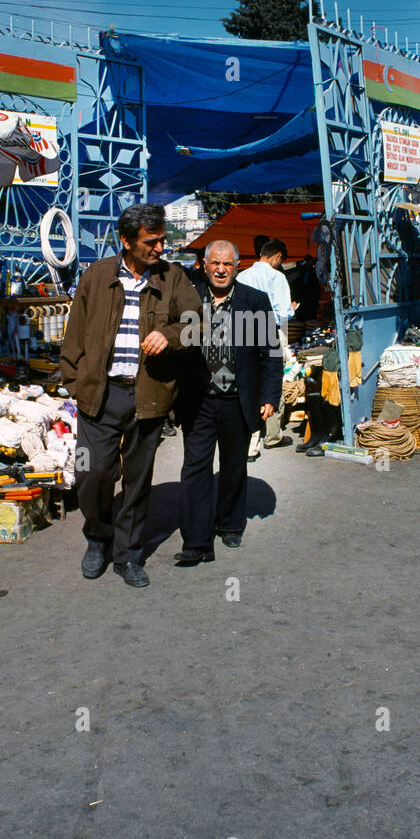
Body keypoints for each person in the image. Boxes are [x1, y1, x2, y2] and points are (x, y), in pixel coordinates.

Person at [60, 203, 201, 588]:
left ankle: (128, 554)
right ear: (126, 241)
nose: (159, 248)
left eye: (161, 240)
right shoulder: (96, 275)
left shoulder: (173, 277)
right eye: (151, 242)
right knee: (92, 473)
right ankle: (97, 537)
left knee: (138, 481)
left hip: (148, 394)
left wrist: (170, 336)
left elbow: (197, 322)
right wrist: (75, 383)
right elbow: (74, 335)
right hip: (99, 395)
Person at [173, 242, 280, 566]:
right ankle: (196, 541)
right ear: (204, 266)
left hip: (238, 399)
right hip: (199, 400)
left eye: (228, 264)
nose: (221, 269)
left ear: (237, 266)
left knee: (234, 466)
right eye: (215, 263)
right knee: (195, 469)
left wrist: (269, 396)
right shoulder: (188, 297)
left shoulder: (255, 301)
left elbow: (271, 354)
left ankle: (231, 523)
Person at [240, 238, 295, 455]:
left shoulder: (242, 275)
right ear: (277, 256)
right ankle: (272, 434)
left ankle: (251, 436)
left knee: (249, 378)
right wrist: (292, 309)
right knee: (274, 377)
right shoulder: (277, 277)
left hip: (243, 333)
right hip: (270, 331)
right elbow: (283, 313)